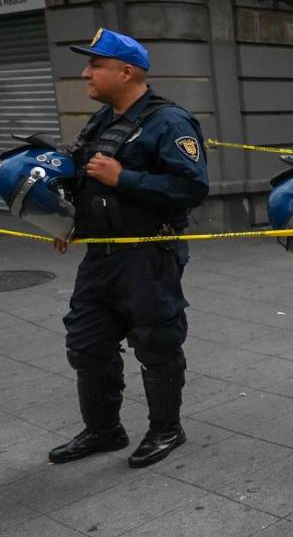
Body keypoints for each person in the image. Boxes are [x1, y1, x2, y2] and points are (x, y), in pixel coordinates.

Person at [46, 29, 208, 468]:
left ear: (127, 70)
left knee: (156, 342)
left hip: (147, 254)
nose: (86, 73)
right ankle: (104, 430)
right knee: (85, 344)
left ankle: (166, 429)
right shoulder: (103, 119)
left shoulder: (169, 122)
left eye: (95, 65)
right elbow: (86, 180)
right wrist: (71, 221)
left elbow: (192, 187)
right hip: (100, 255)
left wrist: (125, 178)